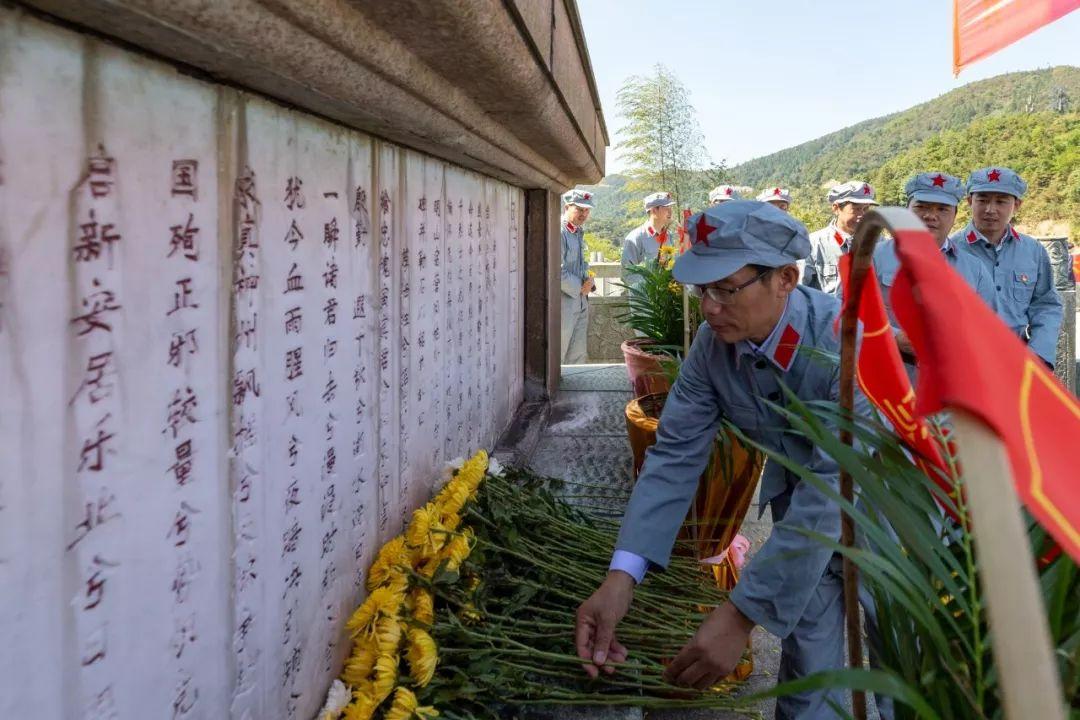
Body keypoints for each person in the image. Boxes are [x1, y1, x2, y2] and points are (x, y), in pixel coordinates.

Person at [574, 200, 886, 720]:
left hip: (890, 523)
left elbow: (836, 486)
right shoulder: (712, 348)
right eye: (702, 289)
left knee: (907, 675)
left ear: (785, 278)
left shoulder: (849, 345)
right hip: (801, 535)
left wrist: (741, 614)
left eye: (725, 289)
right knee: (809, 690)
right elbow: (673, 456)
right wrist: (620, 579)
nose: (709, 307)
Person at [873, 172, 997, 360]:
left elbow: (988, 326)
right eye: (921, 207)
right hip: (888, 371)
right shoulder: (872, 257)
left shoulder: (974, 269)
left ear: (955, 215)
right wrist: (894, 337)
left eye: (942, 209)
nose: (930, 216)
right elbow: (846, 311)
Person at [952, 167, 1062, 369]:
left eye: (1001, 201)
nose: (990, 209)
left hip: (1018, 362)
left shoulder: (1033, 251)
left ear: (1017, 205)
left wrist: (1038, 354)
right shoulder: (949, 250)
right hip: (962, 364)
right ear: (969, 202)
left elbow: (1046, 305)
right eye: (982, 200)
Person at [802, 180, 878, 295]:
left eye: (866, 209)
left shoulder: (879, 243)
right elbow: (798, 290)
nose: (862, 215)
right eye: (856, 209)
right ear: (836, 208)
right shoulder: (813, 244)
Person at [560, 188, 595, 365]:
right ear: (567, 207)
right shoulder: (560, 232)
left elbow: (581, 265)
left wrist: (590, 281)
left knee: (578, 355)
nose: (584, 214)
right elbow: (556, 270)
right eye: (579, 209)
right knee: (558, 353)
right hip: (563, 303)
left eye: (587, 210)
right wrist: (580, 286)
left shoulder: (578, 232)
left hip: (581, 301)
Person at [620, 191, 677, 284]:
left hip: (666, 296)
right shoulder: (635, 238)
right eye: (666, 208)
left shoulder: (669, 236)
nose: (670, 211)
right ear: (654, 210)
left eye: (670, 207)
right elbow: (627, 274)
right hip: (646, 296)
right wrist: (652, 288)